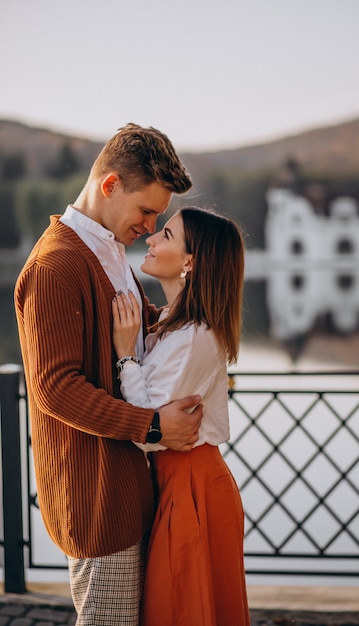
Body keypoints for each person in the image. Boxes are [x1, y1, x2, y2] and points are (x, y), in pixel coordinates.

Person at [14, 124, 203, 626]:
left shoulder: (110, 253)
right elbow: (55, 389)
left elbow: (143, 350)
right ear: (109, 185)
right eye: (145, 211)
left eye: (158, 216)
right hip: (99, 502)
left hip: (133, 491)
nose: (149, 225)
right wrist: (154, 426)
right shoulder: (55, 266)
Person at [112, 206, 251, 626]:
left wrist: (124, 355)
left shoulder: (195, 337)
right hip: (182, 481)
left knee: (181, 609)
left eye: (167, 235)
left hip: (190, 486)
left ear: (190, 261)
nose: (151, 238)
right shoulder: (176, 323)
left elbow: (147, 429)